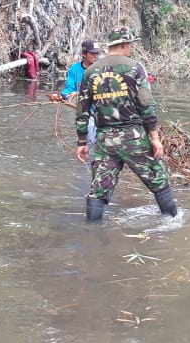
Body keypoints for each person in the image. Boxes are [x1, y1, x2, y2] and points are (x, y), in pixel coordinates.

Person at [75, 26, 178, 221]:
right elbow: (146, 104)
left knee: (99, 190)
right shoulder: (134, 67)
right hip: (134, 137)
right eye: (130, 45)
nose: (131, 48)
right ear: (123, 44)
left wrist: (82, 142)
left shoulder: (90, 72)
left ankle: (92, 235)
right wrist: (154, 138)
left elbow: (82, 110)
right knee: (159, 181)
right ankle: (173, 224)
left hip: (105, 140)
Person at [50, 39, 102, 146]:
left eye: (97, 53)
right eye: (93, 53)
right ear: (84, 54)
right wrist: (62, 96)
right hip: (87, 114)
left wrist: (78, 94)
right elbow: (69, 88)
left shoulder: (102, 68)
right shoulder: (74, 69)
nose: (96, 55)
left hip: (102, 113)